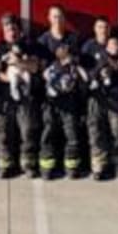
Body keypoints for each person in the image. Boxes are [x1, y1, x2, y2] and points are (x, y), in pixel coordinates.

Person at [0, 13, 42, 178]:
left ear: (19, 30)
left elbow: (35, 67)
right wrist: (11, 78)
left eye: (14, 28)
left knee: (28, 131)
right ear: (3, 31)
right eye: (7, 29)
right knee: (3, 132)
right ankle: (6, 164)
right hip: (4, 98)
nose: (11, 32)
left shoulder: (30, 46)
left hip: (26, 97)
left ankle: (27, 164)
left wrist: (19, 63)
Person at [41, 44, 89, 179]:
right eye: (64, 53)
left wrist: (76, 68)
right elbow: (46, 77)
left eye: (69, 53)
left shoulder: (74, 68)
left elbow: (85, 78)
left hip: (69, 103)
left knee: (71, 134)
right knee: (49, 133)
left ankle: (71, 167)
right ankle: (46, 167)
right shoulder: (52, 66)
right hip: (52, 104)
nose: (68, 56)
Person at [86, 37, 118, 180]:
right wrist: (100, 71)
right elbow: (88, 76)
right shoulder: (98, 58)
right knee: (97, 133)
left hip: (116, 102)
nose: (114, 47)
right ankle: (99, 166)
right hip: (97, 100)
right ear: (107, 47)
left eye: (117, 44)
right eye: (112, 44)